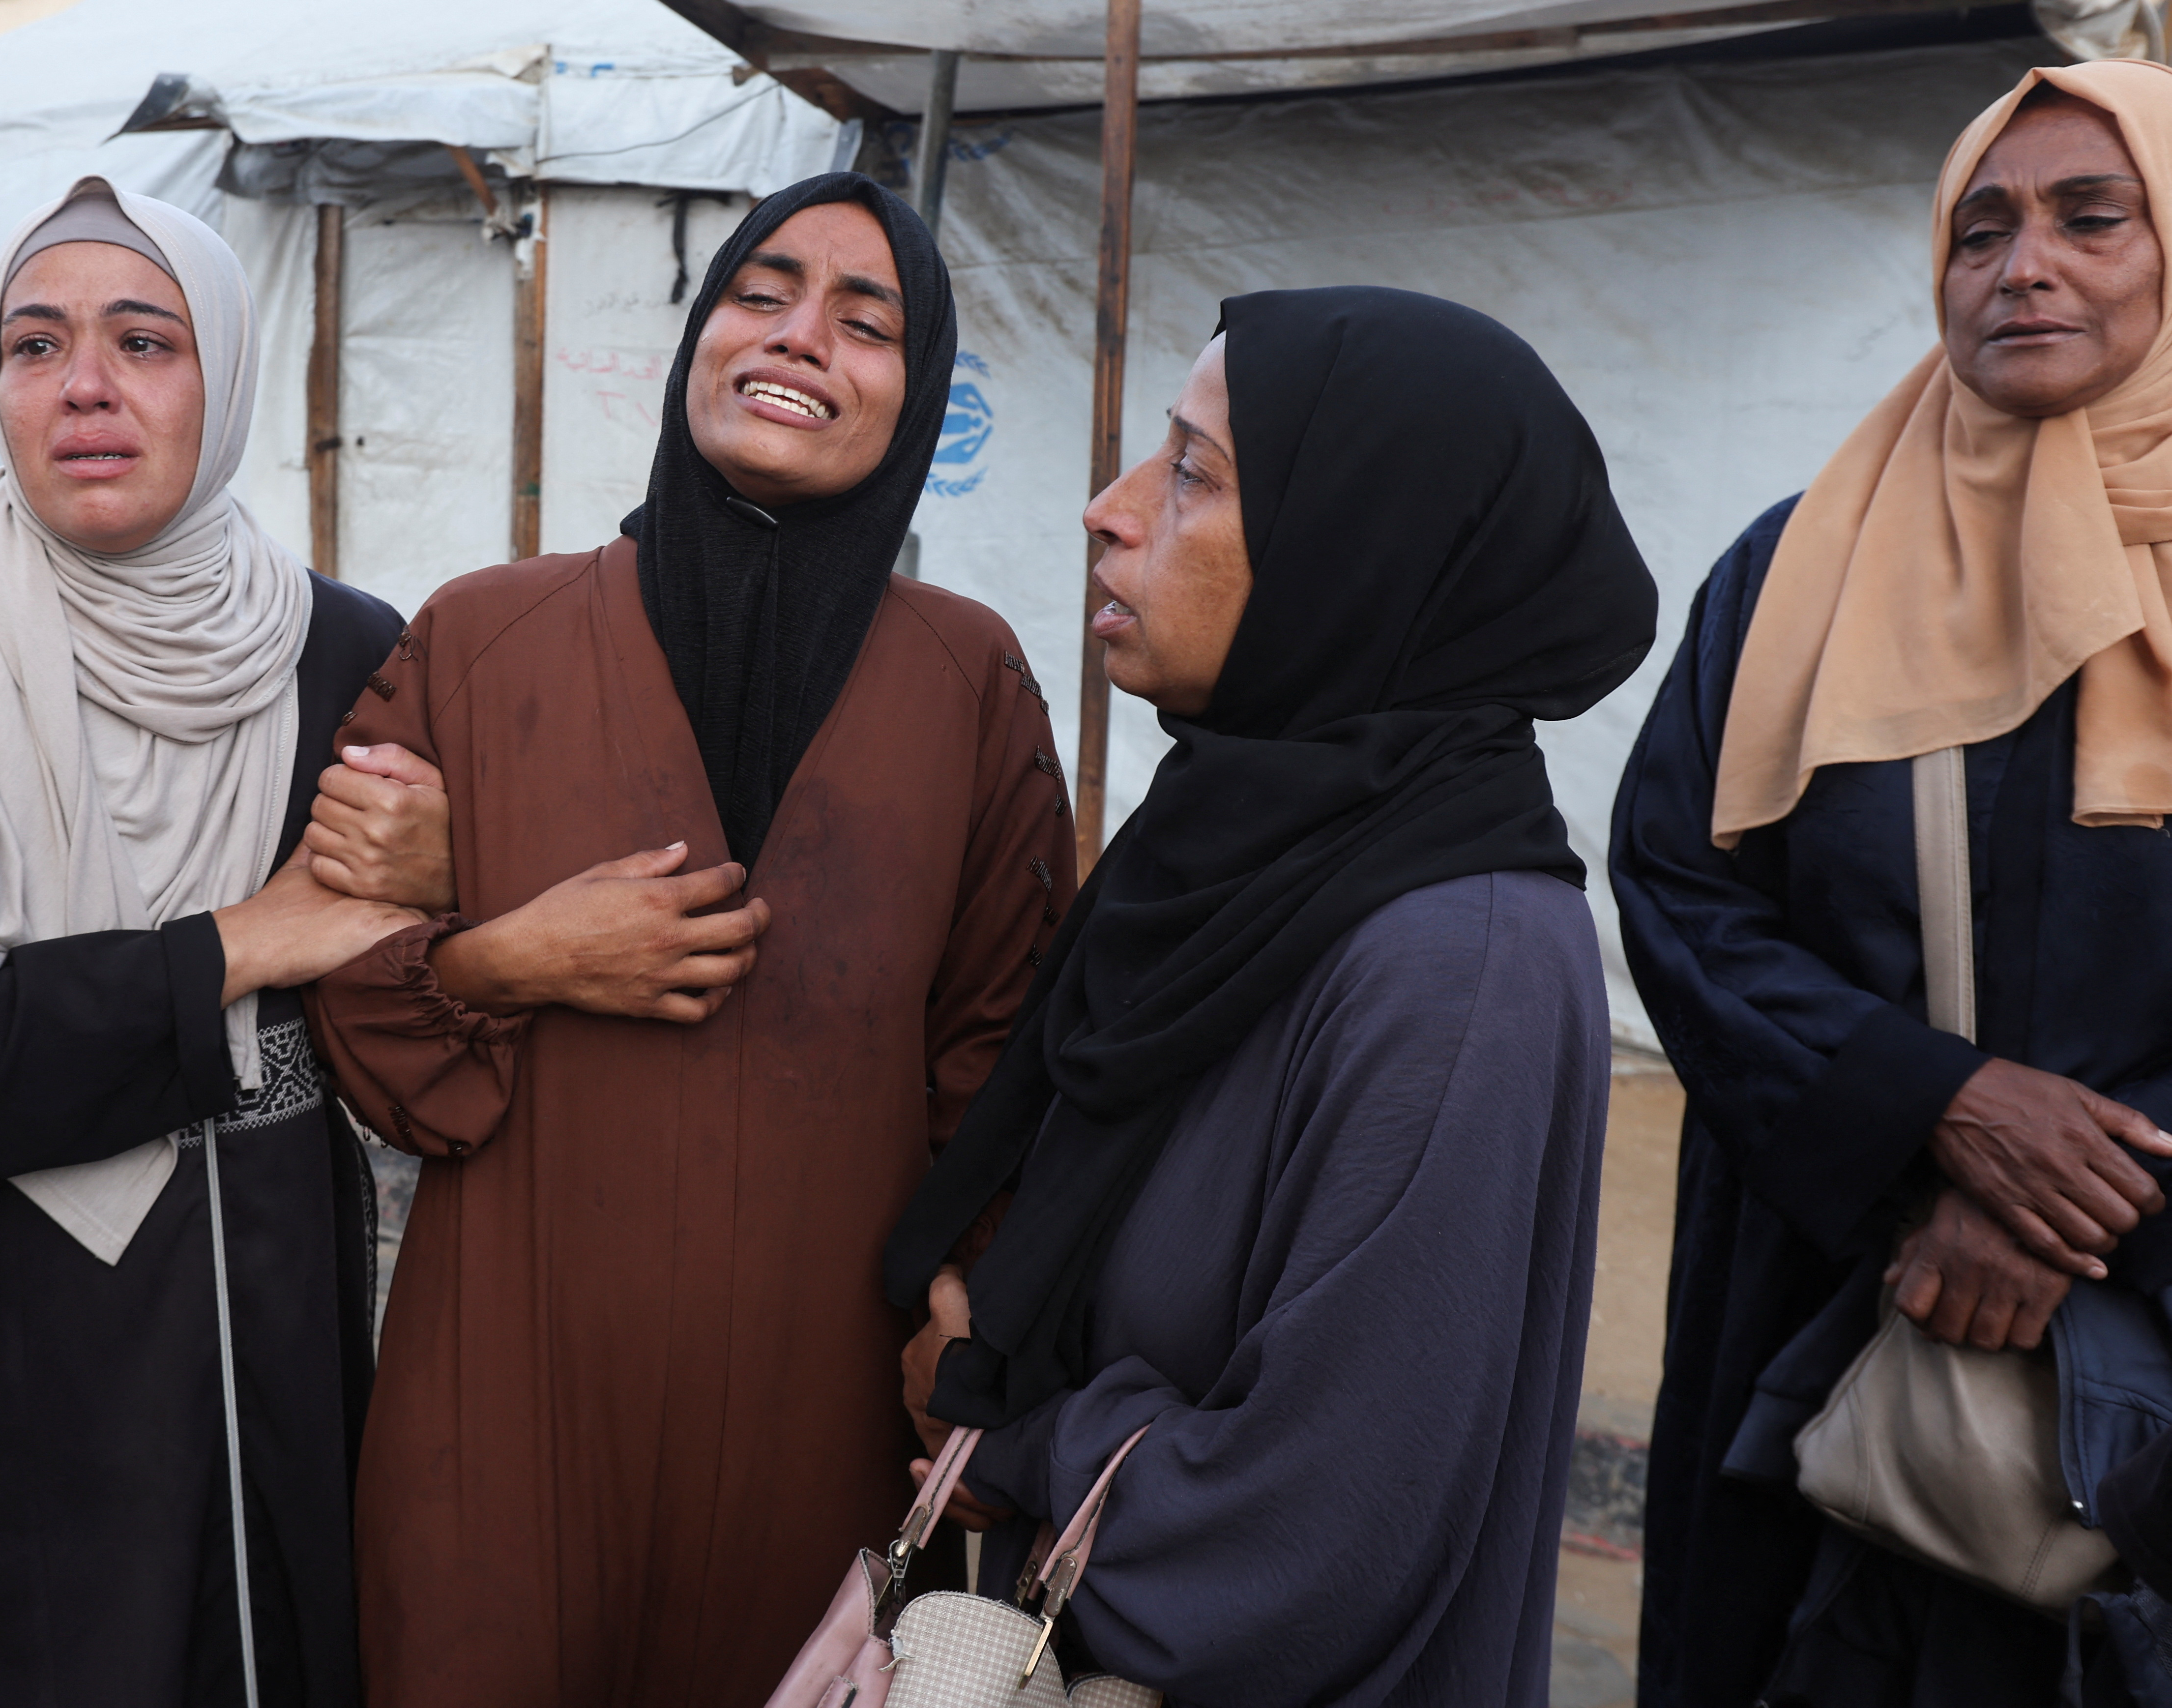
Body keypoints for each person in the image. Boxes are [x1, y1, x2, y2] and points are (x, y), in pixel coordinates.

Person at [298, 172, 1076, 1706]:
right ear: (695, 338)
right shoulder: (479, 640)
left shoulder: (968, 684)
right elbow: (347, 1005)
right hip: (506, 1421)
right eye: (759, 291)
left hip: (820, 1437)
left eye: (869, 323)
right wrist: (507, 959)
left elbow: (1003, 1069)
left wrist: (965, 1342)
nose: (799, 337)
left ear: (914, 402)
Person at [882, 288, 1656, 1705]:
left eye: (1191, 473)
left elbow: (1317, 1536)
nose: (1107, 511)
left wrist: (1026, 1439)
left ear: (1359, 547)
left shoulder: (1452, 964)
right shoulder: (1241, 842)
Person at [0, 177, 436, 1707]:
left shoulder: (342, 651)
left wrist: (444, 880)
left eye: (144, 341)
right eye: (34, 346)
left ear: (226, 376)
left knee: (265, 1633)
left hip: (264, 1277)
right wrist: (235, 947)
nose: (85, 389)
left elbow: (410, 989)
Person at [1614, 60, 2172, 1708]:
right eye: (1978, 229)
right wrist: (1932, 1118)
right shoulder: (1802, 565)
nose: (2024, 267)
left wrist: (2073, 1213)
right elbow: (1677, 884)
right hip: (1834, 1286)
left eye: (2091, 217)